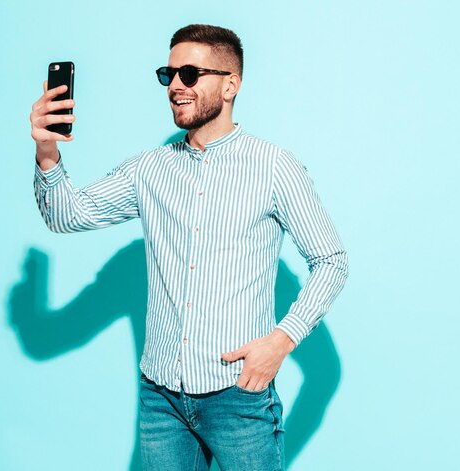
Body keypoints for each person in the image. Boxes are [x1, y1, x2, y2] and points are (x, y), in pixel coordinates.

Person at [29, 24, 348, 471]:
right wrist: (46, 151)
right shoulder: (149, 169)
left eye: (191, 73)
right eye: (169, 73)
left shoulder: (275, 166)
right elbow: (68, 215)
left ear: (230, 84)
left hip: (239, 398)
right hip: (161, 400)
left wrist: (281, 340)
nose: (176, 85)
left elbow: (331, 261)